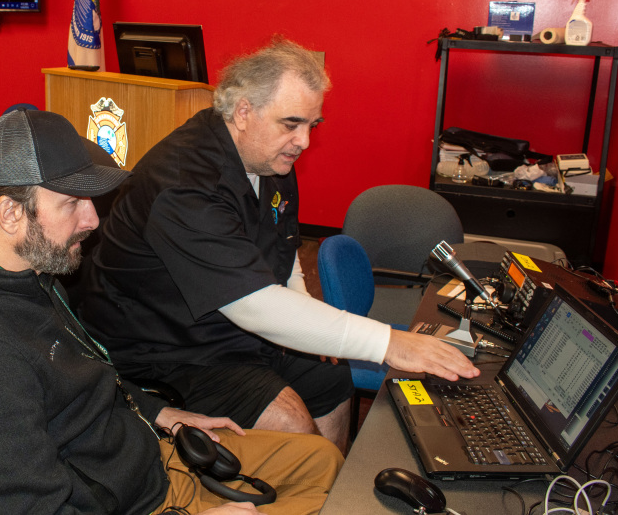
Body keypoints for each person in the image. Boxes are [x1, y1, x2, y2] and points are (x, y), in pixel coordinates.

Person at [0, 108, 343, 515]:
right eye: (72, 203)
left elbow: (83, 377)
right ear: (10, 213)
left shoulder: (29, 276)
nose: (93, 220)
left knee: (323, 462)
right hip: (134, 505)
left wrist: (157, 412)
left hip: (148, 460)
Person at [75, 38, 480, 454]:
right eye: (291, 124)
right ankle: (307, 478)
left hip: (227, 328)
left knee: (332, 377)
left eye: (311, 126)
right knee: (291, 424)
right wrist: (389, 343)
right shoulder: (184, 184)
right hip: (163, 352)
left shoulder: (268, 159)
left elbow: (284, 256)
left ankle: (331, 483)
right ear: (243, 112)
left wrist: (311, 329)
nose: (303, 141)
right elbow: (252, 305)